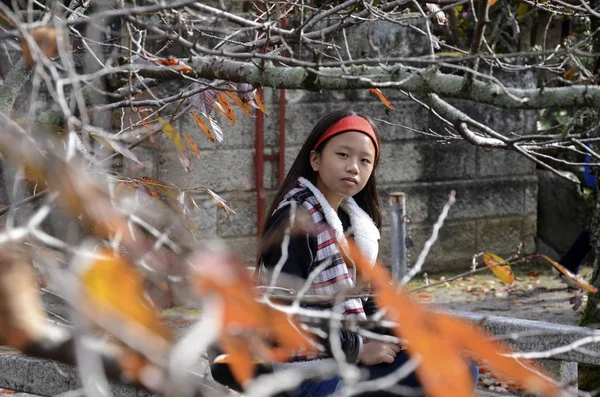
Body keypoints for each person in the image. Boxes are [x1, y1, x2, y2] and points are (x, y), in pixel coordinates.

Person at [254, 110, 477, 396]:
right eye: (343, 155)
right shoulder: (296, 220)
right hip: (303, 371)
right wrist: (358, 349)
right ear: (315, 160)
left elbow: (367, 301)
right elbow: (284, 314)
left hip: (346, 357)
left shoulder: (355, 224)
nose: (353, 167)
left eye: (364, 160)